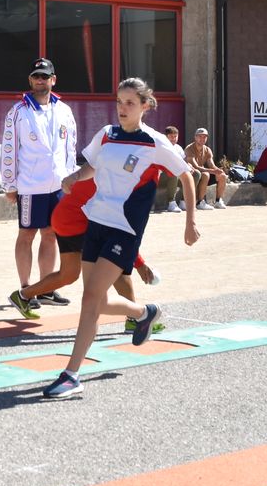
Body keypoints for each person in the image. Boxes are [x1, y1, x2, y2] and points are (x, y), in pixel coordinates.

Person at [42, 77, 198, 401]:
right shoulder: (107, 134)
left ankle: (71, 374)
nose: (122, 108)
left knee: (90, 299)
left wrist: (190, 222)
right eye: (119, 102)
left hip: (124, 229)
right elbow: (92, 167)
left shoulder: (154, 142)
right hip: (96, 222)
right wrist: (75, 176)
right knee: (95, 300)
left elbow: (186, 176)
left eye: (129, 103)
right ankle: (143, 313)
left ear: (145, 106)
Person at [8, 162, 157, 322]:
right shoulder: (117, 179)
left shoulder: (112, 166)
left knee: (69, 274)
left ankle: (23, 296)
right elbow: (118, 232)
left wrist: (139, 262)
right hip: (75, 221)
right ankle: (137, 319)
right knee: (115, 267)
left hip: (64, 218)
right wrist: (139, 264)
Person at [0, 57, 78, 307]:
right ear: (30, 80)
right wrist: (10, 185)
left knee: (51, 234)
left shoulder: (64, 110)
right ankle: (25, 289)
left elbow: (70, 147)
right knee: (26, 235)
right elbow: (8, 150)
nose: (40, 80)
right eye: (36, 76)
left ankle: (45, 288)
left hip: (58, 185)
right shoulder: (18, 112)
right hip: (30, 186)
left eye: (44, 76)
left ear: (53, 79)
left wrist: (71, 178)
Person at [184, 127, 227, 210]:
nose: (202, 139)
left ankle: (218, 201)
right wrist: (212, 171)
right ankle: (200, 202)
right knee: (206, 174)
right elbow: (196, 167)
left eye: (204, 137)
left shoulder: (207, 149)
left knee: (222, 175)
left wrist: (218, 171)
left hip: (203, 172)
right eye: (200, 136)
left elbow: (211, 165)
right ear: (195, 137)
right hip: (193, 174)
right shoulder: (189, 148)